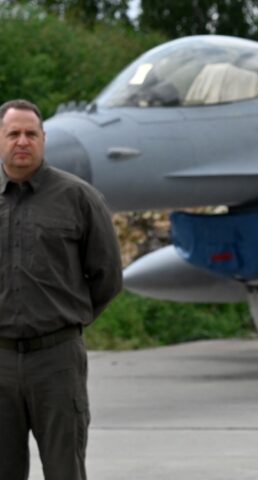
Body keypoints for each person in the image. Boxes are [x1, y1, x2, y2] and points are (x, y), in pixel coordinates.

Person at [0, 99, 122, 480]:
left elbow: (107, 277)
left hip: (57, 360)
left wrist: (65, 322)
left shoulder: (78, 198)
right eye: (13, 133)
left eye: (30, 134)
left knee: (65, 469)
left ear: (43, 138)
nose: (22, 141)